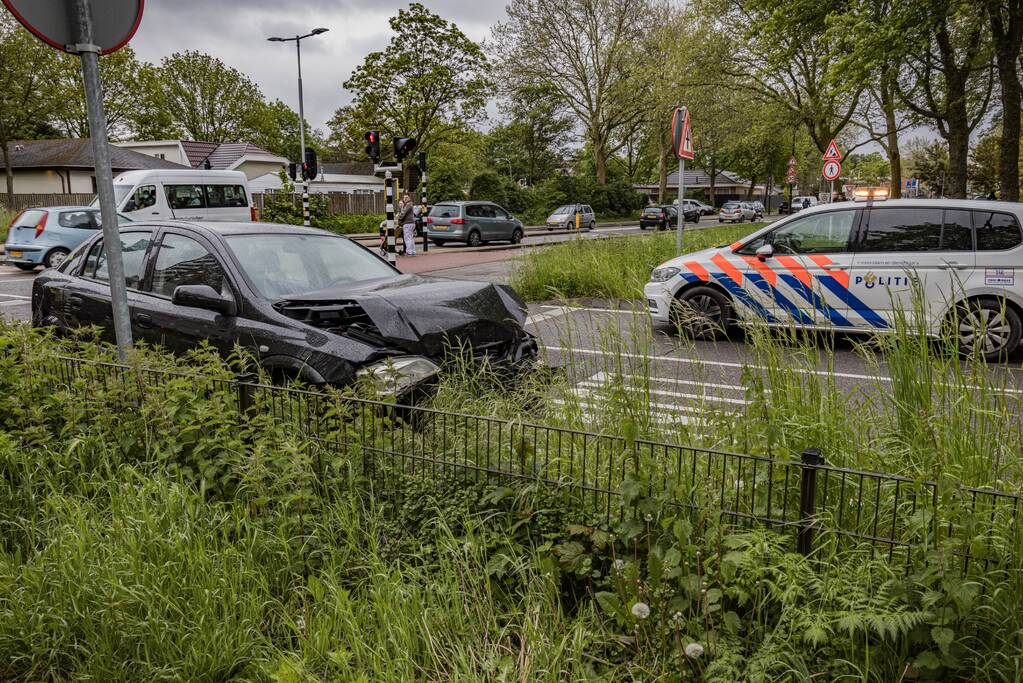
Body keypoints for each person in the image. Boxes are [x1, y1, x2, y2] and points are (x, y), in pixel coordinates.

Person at [397, 192, 416, 256]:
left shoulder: (408, 205)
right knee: (410, 237)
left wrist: (399, 217)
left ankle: (409, 251)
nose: (405, 199)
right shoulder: (410, 204)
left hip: (408, 223)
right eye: (404, 197)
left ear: (409, 198)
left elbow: (402, 214)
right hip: (411, 223)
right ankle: (413, 251)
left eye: (406, 197)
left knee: (407, 238)